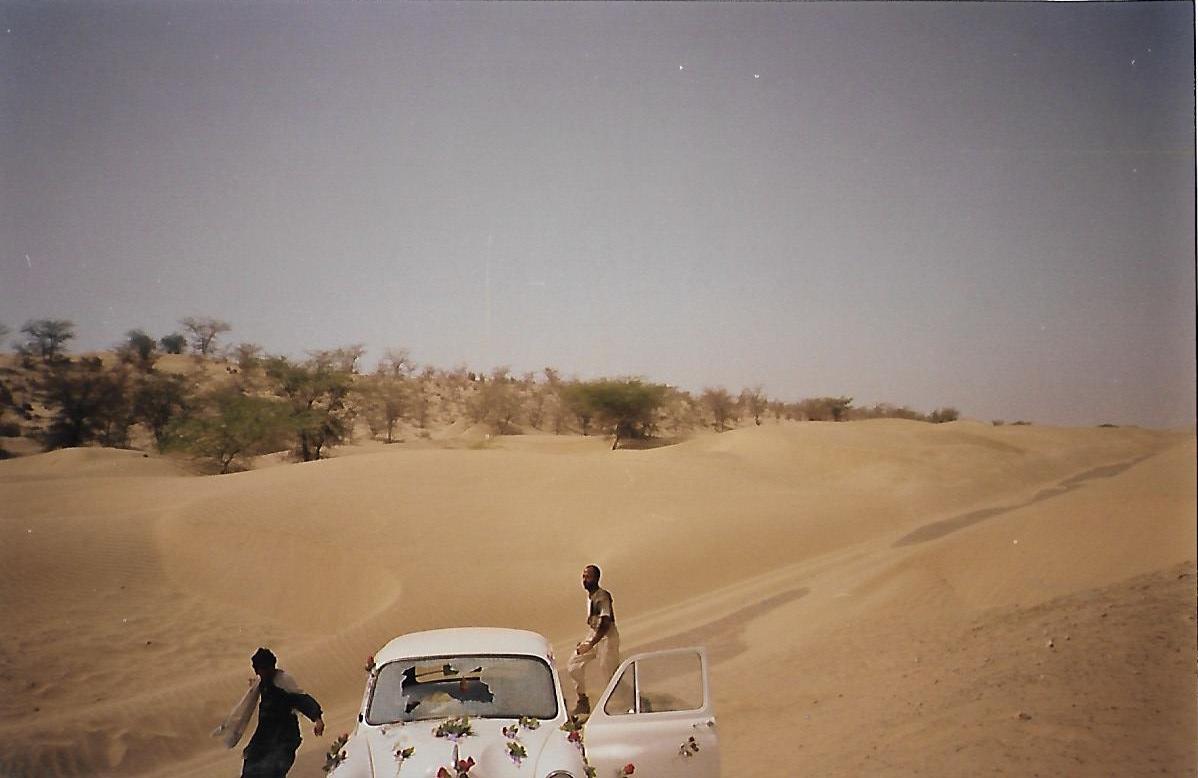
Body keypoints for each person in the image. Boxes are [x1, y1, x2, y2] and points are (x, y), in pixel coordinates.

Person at [216, 647, 325, 778]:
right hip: (265, 736)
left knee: (273, 770)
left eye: (265, 669)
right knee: (251, 768)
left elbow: (302, 699)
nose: (262, 673)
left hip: (284, 737)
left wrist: (317, 719)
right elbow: (246, 705)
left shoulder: (283, 680)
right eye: (259, 670)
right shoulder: (262, 683)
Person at [565, 564, 620, 717]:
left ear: (596, 578)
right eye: (583, 577)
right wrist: (587, 641)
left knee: (611, 674)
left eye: (588, 577)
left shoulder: (602, 596)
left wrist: (590, 643)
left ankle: (634, 700)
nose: (584, 580)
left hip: (606, 637)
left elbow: (605, 622)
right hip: (594, 634)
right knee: (573, 664)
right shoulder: (590, 597)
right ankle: (582, 700)